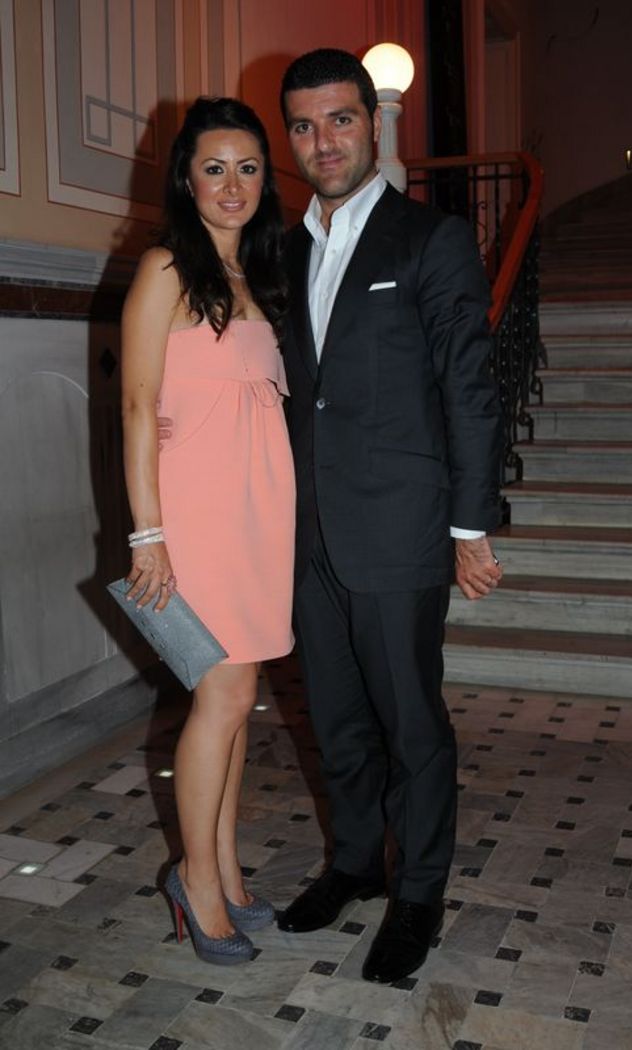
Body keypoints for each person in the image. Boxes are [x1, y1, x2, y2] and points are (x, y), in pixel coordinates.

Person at [275, 49, 504, 984]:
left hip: (400, 527)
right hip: (307, 533)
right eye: (303, 125)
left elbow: (468, 387)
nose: (323, 141)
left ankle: (417, 893)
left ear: (371, 123)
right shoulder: (283, 249)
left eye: (339, 119)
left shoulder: (429, 239)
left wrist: (468, 524)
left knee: (410, 724)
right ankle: (355, 864)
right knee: (335, 718)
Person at [121, 96, 295, 966]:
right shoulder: (165, 267)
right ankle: (194, 883)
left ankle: (223, 869)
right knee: (220, 698)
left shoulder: (257, 276)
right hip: (197, 518)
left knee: (237, 699)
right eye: (215, 168)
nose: (233, 185)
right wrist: (146, 536)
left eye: (248, 168)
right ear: (186, 179)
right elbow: (136, 404)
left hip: (261, 514)